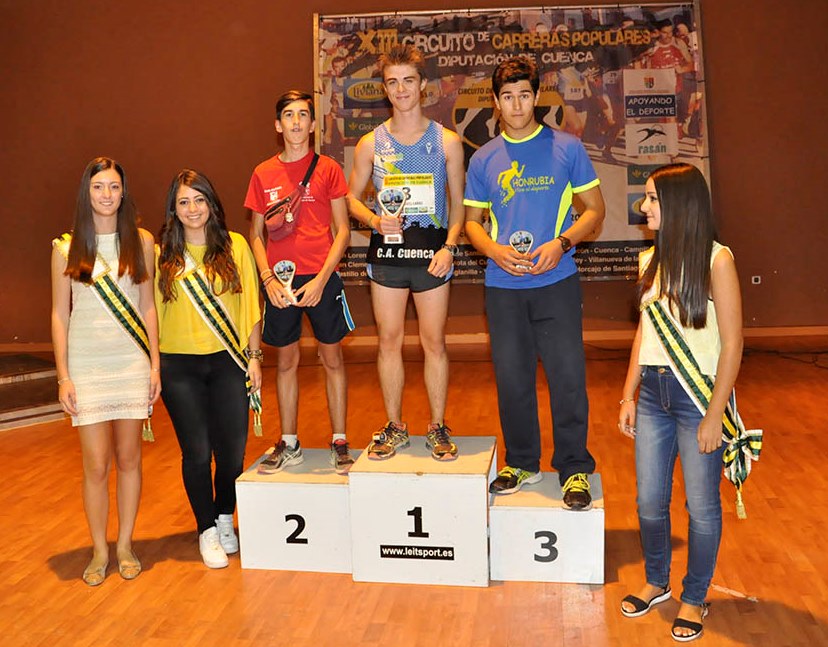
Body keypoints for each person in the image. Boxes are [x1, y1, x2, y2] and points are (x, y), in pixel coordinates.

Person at [464, 56, 605, 509]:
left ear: (536, 96)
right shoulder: (483, 158)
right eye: (507, 96)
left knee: (567, 378)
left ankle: (575, 467)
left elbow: (595, 210)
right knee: (513, 380)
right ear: (495, 101)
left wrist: (562, 243)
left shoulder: (567, 148)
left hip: (556, 281)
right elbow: (471, 223)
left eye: (524, 95)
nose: (516, 104)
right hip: (503, 285)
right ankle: (522, 461)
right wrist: (494, 250)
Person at [617, 163, 742, 642]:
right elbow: (644, 334)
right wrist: (628, 393)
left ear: (680, 204)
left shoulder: (717, 261)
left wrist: (714, 415)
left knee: (702, 506)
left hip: (698, 398)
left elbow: (733, 344)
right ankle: (657, 580)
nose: (643, 206)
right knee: (649, 501)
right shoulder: (649, 259)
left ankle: (694, 596)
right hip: (653, 394)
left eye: (651, 198)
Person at [347, 44, 465, 461]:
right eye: (393, 82)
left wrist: (450, 247)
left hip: (433, 256)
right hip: (387, 258)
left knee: (434, 342)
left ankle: (437, 425)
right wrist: (375, 221)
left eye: (408, 81)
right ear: (384, 88)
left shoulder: (447, 142)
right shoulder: (370, 144)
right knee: (388, 341)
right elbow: (350, 199)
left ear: (423, 85)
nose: (401, 90)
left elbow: (459, 205)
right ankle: (395, 425)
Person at [51, 156, 161, 586]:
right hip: (87, 365)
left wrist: (155, 365)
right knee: (96, 464)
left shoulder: (142, 242)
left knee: (129, 458)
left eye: (114, 186)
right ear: (87, 192)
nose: (106, 195)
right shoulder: (66, 248)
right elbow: (59, 314)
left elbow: (148, 307)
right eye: (98, 187)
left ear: (124, 192)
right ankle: (99, 549)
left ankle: (126, 544)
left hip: (130, 362)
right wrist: (64, 375)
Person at [156, 170, 262, 569]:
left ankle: (223, 516)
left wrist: (255, 357)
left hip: (228, 361)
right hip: (178, 366)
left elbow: (251, 305)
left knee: (232, 453)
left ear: (212, 204)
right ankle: (206, 529)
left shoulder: (235, 246)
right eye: (183, 202)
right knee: (197, 452)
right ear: (174, 210)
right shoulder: (161, 255)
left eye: (199, 199)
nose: (192, 209)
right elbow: (151, 314)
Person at [246, 90, 355, 475]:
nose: (296, 122)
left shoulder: (328, 169)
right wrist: (268, 279)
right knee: (286, 361)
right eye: (288, 115)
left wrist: (323, 279)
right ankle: (289, 442)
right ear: (278, 125)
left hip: (322, 279)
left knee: (332, 358)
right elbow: (255, 234)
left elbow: (343, 231)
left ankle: (339, 440)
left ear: (312, 124)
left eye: (303, 115)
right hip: (280, 282)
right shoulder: (263, 173)